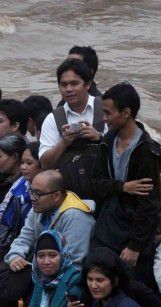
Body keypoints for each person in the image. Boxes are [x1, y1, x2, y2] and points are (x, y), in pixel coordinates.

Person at [0, 170, 93, 307]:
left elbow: (75, 263)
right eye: (31, 191)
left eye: (38, 193)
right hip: (39, 272)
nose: (32, 197)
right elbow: (24, 238)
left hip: (60, 280)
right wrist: (15, 256)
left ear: (56, 195)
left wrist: (43, 268)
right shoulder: (39, 208)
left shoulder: (75, 217)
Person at [90, 82, 161, 307]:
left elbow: (149, 204)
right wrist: (122, 187)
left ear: (126, 113)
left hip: (133, 231)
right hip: (107, 224)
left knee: (134, 289)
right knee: (95, 278)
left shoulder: (147, 151)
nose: (104, 119)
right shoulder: (107, 141)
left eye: (108, 113)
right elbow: (97, 182)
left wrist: (134, 246)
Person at [6, 230, 85, 307]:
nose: (46, 262)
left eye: (52, 255)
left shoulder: (74, 279)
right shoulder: (41, 279)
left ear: (62, 255)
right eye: (41, 256)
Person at [38, 59, 106, 201]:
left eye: (74, 83)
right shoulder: (53, 118)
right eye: (63, 85)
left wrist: (99, 137)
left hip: (106, 189)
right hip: (69, 195)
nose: (68, 89)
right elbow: (45, 165)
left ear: (88, 84)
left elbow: (125, 147)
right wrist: (64, 142)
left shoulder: (105, 107)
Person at [0, 141, 42, 263]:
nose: (23, 167)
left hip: (25, 249)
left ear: (42, 165)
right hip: (3, 240)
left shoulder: (45, 193)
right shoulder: (20, 183)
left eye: (29, 163)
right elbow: (1, 210)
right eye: (22, 162)